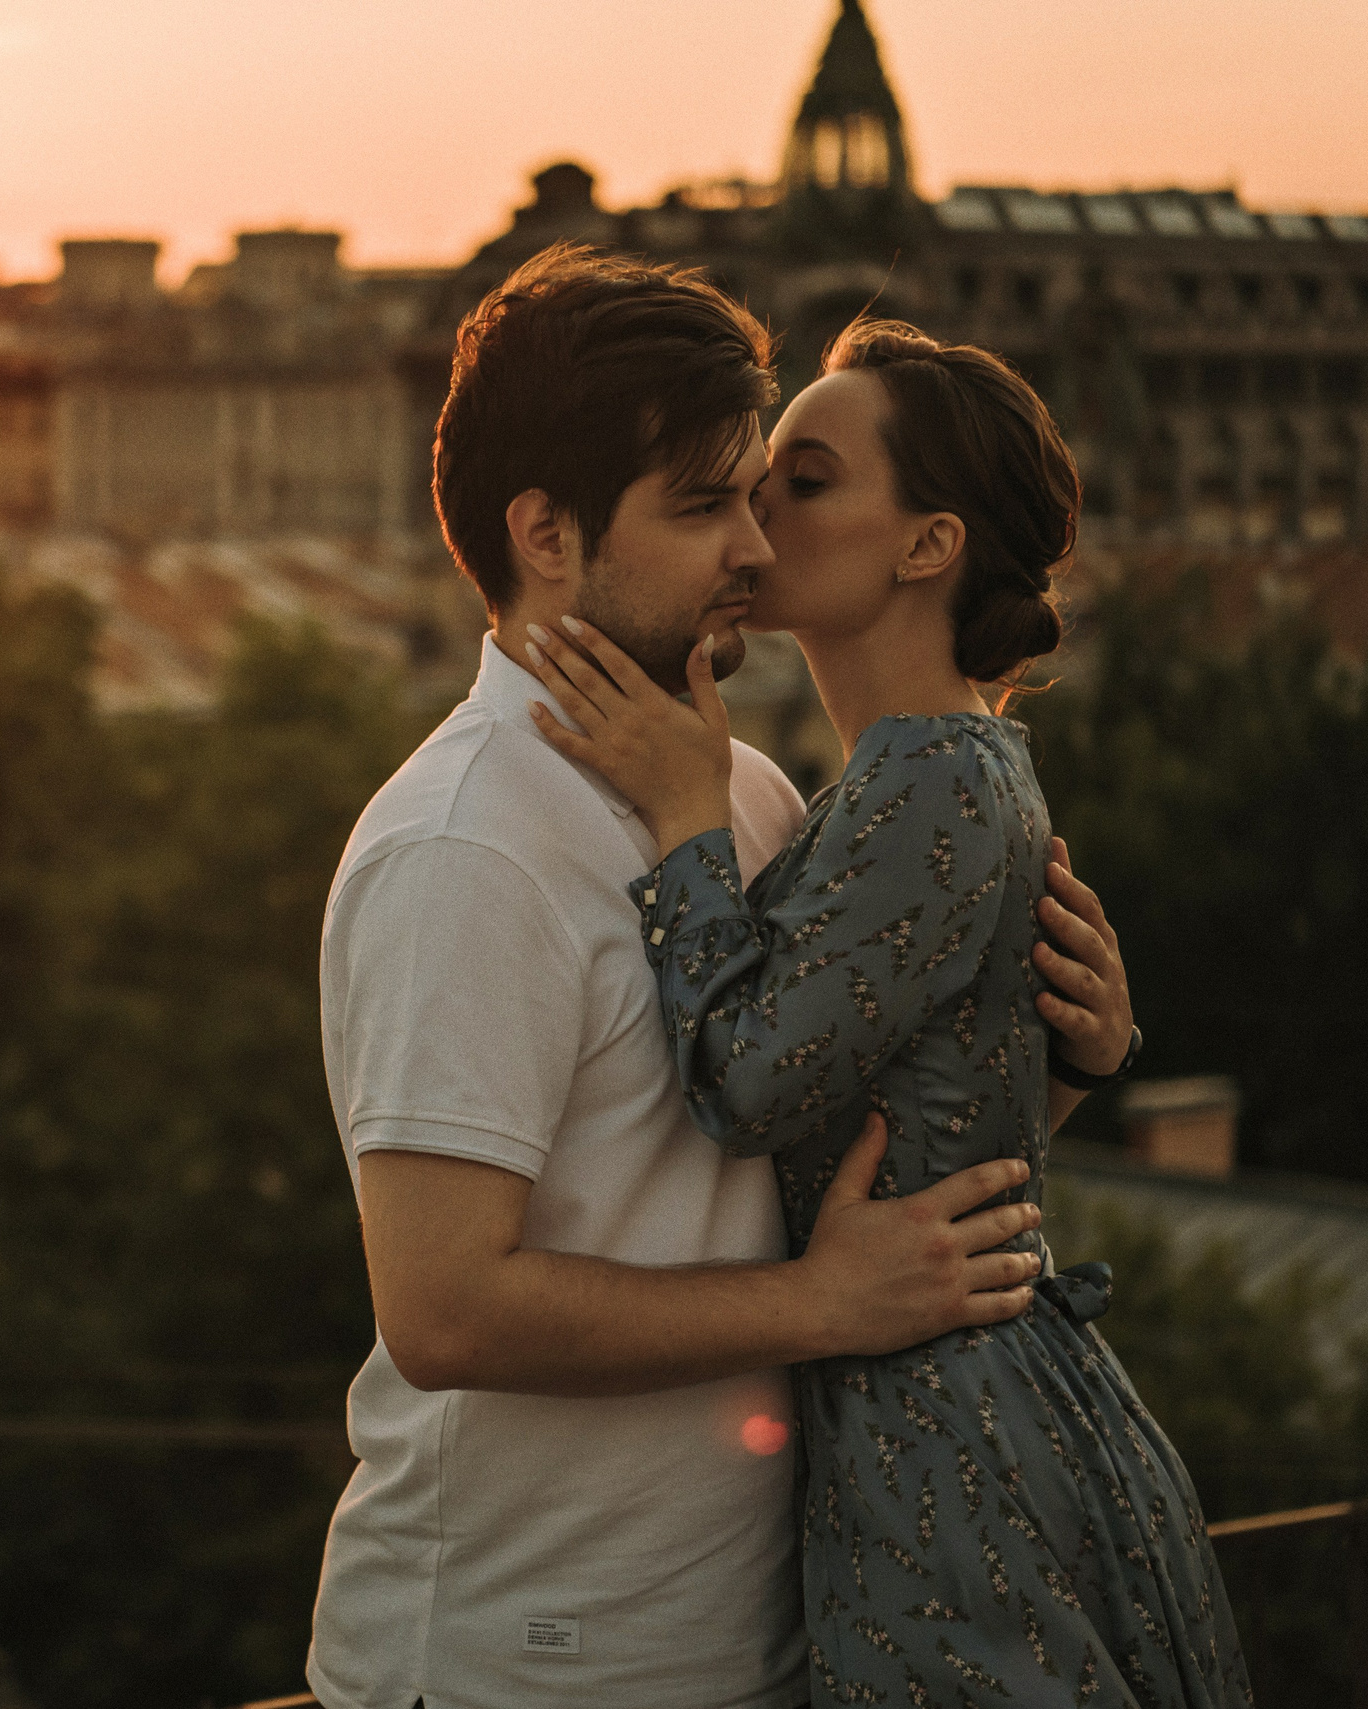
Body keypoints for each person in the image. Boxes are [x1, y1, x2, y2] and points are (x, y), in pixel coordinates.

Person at [309, 248, 1140, 1709]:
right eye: (704, 508)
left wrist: (1060, 1067)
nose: (752, 547)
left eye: (760, 492)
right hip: (533, 1662)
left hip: (756, 1644)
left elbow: (843, 1186)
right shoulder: (461, 848)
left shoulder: (743, 793)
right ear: (547, 534)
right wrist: (819, 1307)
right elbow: (444, 1311)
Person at [522, 316, 1250, 1705]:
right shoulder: (901, 778)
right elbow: (929, 1100)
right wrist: (1082, 1062)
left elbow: (745, 1083)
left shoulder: (933, 778)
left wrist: (685, 822)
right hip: (926, 1411)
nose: (756, 510)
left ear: (927, 544)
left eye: (805, 477)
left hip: (949, 1448)